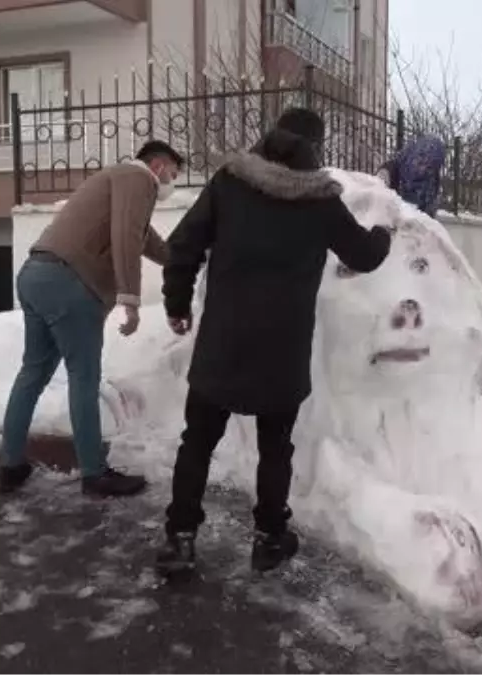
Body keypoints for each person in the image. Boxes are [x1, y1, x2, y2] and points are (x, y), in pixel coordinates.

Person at [154, 108, 392, 577]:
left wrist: (177, 306)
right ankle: (268, 538)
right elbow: (364, 255)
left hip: (223, 343)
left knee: (197, 443)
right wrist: (384, 231)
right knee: (275, 447)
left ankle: (180, 539)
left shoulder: (229, 182)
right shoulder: (320, 200)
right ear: (315, 149)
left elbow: (182, 247)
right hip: (281, 352)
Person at [0, 140, 184, 497]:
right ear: (158, 166)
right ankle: (94, 475)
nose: (170, 183)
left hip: (36, 273)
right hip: (71, 283)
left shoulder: (114, 180)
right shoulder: (137, 178)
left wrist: (185, 261)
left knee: (32, 373)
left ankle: (10, 466)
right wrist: (130, 297)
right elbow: (126, 234)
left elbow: (145, 240)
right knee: (84, 378)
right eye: (172, 174)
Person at [390, 135, 447, 217]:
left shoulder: (432, 184)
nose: (423, 169)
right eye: (420, 162)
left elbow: (428, 218)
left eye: (429, 167)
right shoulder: (395, 167)